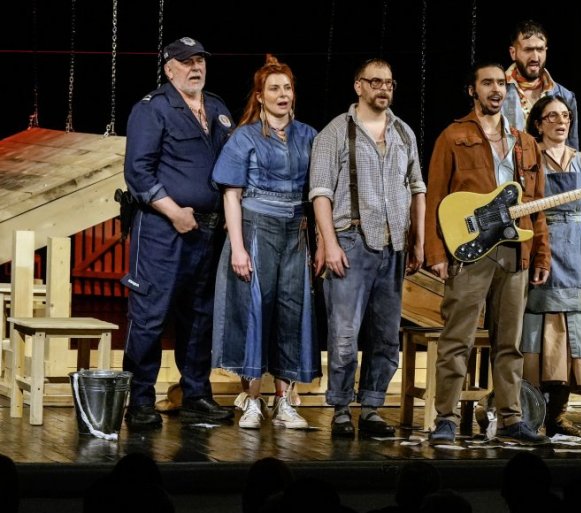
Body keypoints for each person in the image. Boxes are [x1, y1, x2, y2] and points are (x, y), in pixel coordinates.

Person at [425, 62, 550, 446]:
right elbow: (435, 197)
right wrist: (436, 252)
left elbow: (537, 205)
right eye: (487, 83)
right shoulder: (453, 136)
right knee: (456, 339)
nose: (496, 89)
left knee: (510, 343)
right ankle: (445, 419)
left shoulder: (524, 142)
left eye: (501, 84)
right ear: (472, 90)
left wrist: (541, 255)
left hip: (514, 251)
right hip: (471, 252)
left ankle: (511, 417)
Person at [120, 36, 234, 428]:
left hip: (208, 231)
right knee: (150, 315)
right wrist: (172, 211)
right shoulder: (152, 109)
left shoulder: (217, 108)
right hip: (162, 229)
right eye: (186, 62)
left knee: (199, 316)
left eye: (200, 60)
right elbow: (138, 172)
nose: (195, 67)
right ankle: (140, 401)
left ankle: (195, 394)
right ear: (169, 69)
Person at [309, 58, 426, 437]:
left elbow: (417, 189)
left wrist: (418, 240)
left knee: (386, 336)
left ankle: (372, 407)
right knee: (344, 336)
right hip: (351, 241)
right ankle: (342, 408)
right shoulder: (335, 132)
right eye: (375, 82)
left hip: (394, 245)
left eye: (389, 83)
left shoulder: (403, 132)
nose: (383, 89)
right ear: (358, 86)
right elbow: (320, 193)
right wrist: (329, 243)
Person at [211, 55, 320, 430]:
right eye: (274, 88)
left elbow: (320, 192)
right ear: (260, 96)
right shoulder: (245, 137)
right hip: (256, 229)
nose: (282, 94)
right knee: (253, 311)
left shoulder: (308, 135)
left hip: (296, 232)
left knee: (292, 312)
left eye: (287, 88)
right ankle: (252, 400)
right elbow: (231, 195)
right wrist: (238, 247)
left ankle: (284, 401)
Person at [520, 96, 581, 437]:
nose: (560, 122)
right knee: (537, 334)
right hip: (543, 246)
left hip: (577, 253)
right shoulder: (530, 157)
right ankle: (532, 414)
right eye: (552, 116)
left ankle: (558, 414)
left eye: (565, 116)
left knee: (574, 336)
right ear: (538, 124)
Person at [502, 20, 579, 149]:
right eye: (528, 50)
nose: (535, 57)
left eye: (540, 49)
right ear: (513, 53)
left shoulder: (565, 96)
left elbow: (572, 149)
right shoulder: (499, 94)